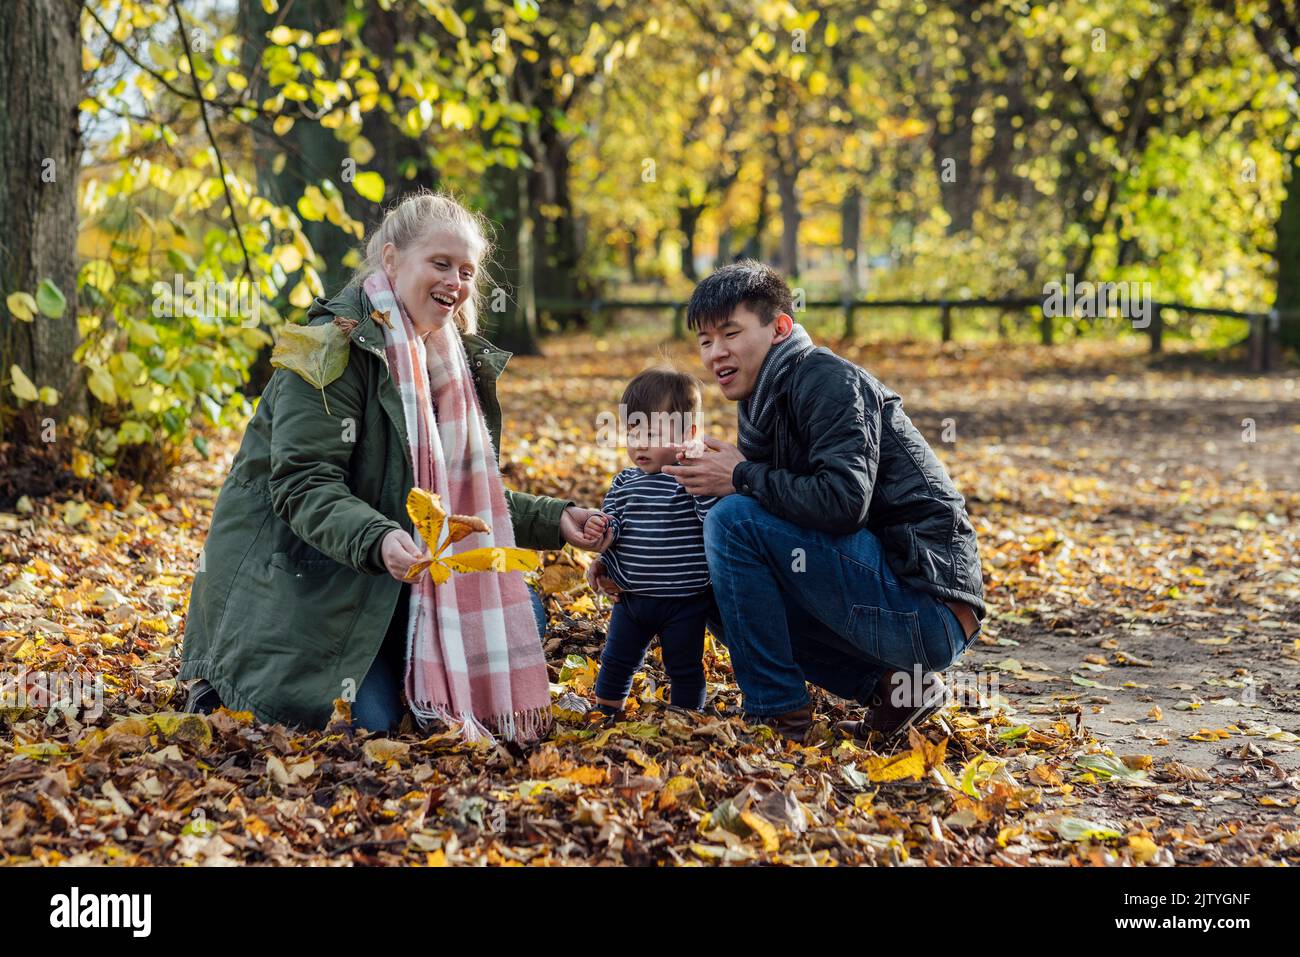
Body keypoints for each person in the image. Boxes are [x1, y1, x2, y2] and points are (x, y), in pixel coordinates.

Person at [180, 190, 608, 737]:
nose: (456, 281)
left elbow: (454, 501)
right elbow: (302, 483)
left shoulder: (447, 359)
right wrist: (378, 538)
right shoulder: (327, 344)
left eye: (467, 270)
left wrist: (556, 518)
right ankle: (233, 678)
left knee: (520, 610)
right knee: (370, 724)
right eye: (440, 263)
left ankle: (409, 669)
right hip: (304, 580)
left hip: (387, 571)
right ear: (390, 260)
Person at [588, 259, 986, 745]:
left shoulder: (825, 380)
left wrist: (739, 475)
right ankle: (896, 691)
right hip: (888, 600)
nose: (716, 353)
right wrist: (624, 556)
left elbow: (843, 503)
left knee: (733, 521)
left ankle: (778, 713)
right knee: (704, 583)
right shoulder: (763, 401)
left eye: (731, 334)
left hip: (927, 609)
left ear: (779, 328)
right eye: (706, 341)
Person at [584, 368, 716, 717]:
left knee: (684, 665)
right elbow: (613, 526)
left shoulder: (691, 478)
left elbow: (711, 519)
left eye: (653, 434)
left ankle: (685, 718)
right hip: (632, 598)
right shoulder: (625, 481)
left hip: (685, 599)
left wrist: (695, 463)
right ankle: (607, 711)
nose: (640, 444)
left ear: (688, 434)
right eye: (633, 432)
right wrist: (601, 540)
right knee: (617, 659)